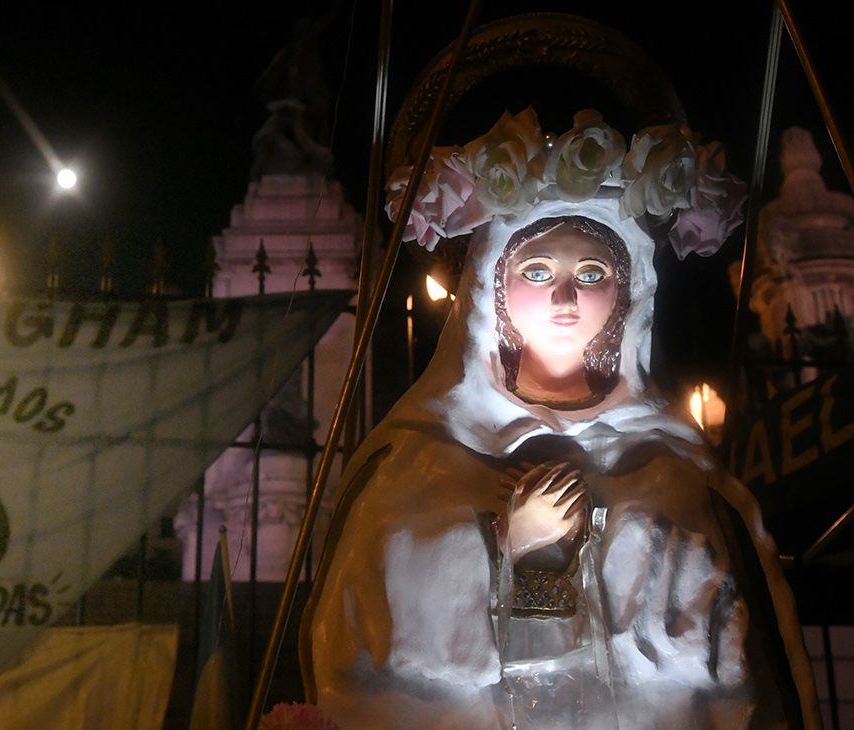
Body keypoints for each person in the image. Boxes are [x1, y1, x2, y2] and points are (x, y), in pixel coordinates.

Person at [302, 108, 820, 728]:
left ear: (626, 293)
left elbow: (728, 669)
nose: (565, 298)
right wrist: (507, 546)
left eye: (592, 274)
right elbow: (374, 650)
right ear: (496, 289)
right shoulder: (425, 455)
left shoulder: (668, 464)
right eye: (538, 271)